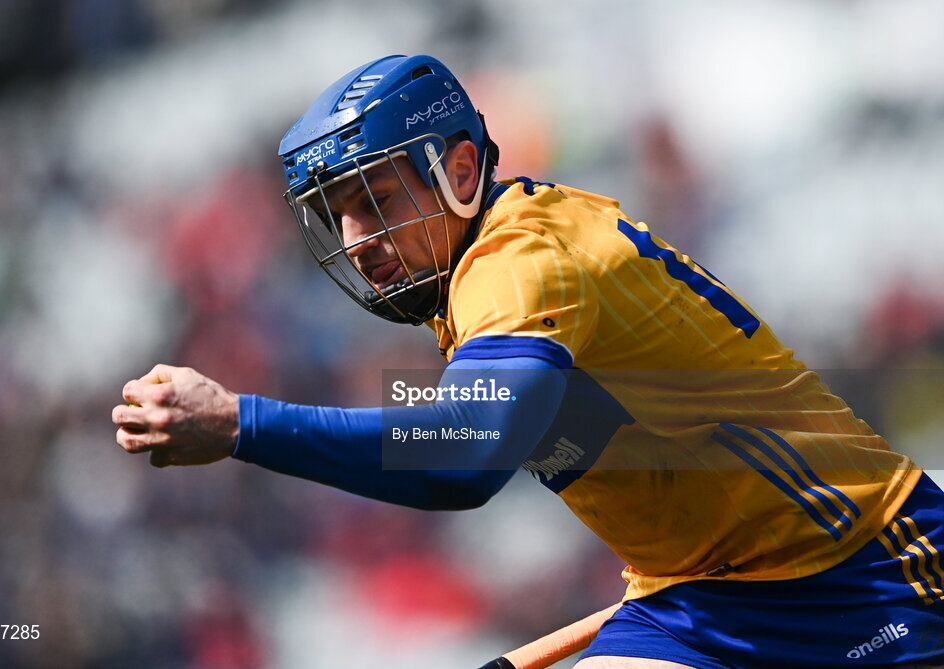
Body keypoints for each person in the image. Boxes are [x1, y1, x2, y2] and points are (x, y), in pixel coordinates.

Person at [112, 54, 944, 667]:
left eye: (376, 201)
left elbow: (463, 459)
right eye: (339, 217)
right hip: (697, 601)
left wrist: (238, 423)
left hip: (867, 570)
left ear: (461, 170)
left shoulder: (517, 265)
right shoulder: (481, 284)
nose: (360, 241)